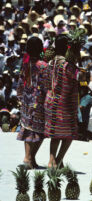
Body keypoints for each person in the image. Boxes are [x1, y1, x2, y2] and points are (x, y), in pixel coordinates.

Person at [44, 34, 79, 168]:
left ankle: (51, 160)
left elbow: (47, 82)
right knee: (69, 134)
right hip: (63, 103)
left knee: (55, 134)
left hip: (50, 100)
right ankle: (58, 160)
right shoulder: (68, 66)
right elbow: (79, 80)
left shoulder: (50, 62)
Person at [17, 37, 47, 169]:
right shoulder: (44, 66)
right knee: (39, 131)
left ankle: (30, 158)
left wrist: (21, 96)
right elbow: (47, 85)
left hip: (27, 100)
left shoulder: (26, 65)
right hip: (39, 102)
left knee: (28, 128)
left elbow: (20, 82)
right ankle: (29, 157)